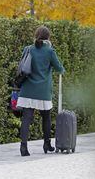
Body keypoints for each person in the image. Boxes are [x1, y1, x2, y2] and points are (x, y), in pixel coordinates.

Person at [17, 26, 65, 156]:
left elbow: (22, 66)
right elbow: (60, 68)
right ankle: (47, 144)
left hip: (27, 89)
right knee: (46, 118)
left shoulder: (28, 49)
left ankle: (23, 147)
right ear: (48, 37)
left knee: (26, 119)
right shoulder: (50, 51)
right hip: (43, 90)